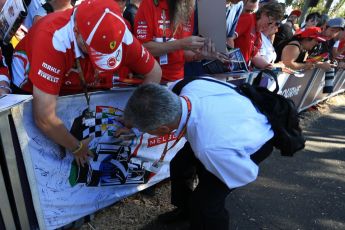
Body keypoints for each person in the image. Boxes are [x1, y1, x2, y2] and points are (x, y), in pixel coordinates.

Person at [11, 0, 162, 166]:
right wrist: (76, 147)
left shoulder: (117, 29)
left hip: (73, 79)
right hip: (29, 83)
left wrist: (133, 120)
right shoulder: (52, 38)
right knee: (43, 155)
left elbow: (154, 72)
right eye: (95, 53)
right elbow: (44, 118)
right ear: (76, 32)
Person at [123, 81, 274, 230]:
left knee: (205, 203)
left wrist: (209, 174)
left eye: (146, 130)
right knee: (179, 165)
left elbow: (244, 174)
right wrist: (131, 125)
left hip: (255, 139)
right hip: (226, 123)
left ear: (163, 128)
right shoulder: (186, 85)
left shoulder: (208, 147)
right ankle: (186, 211)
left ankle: (199, 216)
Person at [134, 0, 226, 82]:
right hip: (151, 81)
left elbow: (182, 53)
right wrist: (180, 44)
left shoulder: (188, 6)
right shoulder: (149, 4)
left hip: (177, 81)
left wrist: (200, 55)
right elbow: (142, 49)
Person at [234, 2, 284, 68]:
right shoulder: (248, 19)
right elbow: (229, 38)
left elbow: (255, 56)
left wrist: (268, 66)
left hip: (240, 71)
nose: (267, 27)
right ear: (264, 13)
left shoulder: (258, 34)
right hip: (229, 69)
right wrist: (231, 62)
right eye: (269, 23)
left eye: (272, 25)